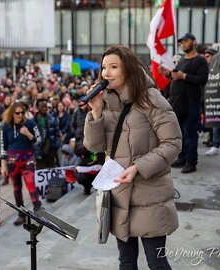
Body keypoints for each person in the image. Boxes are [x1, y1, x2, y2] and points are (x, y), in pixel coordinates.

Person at [83, 45, 182, 270]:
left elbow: (173, 143)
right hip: (119, 195)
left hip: (150, 194)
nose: (106, 73)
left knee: (156, 261)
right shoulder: (106, 103)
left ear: (128, 70)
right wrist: (96, 112)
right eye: (103, 67)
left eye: (114, 67)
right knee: (126, 261)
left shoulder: (151, 99)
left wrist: (138, 167)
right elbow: (94, 147)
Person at [159, 33, 209, 173]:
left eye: (186, 41)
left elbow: (202, 80)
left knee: (190, 132)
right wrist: (168, 74)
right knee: (179, 132)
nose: (183, 44)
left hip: (191, 102)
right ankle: (182, 157)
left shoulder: (200, 60)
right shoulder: (181, 60)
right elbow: (177, 77)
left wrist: (184, 76)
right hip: (178, 102)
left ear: (194, 42)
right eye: (181, 42)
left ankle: (191, 161)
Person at [0, 103, 43, 226]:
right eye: (17, 113)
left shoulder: (30, 123)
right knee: (16, 188)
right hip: (12, 161)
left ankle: (38, 211)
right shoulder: (5, 126)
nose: (20, 115)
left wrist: (28, 134)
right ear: (12, 113)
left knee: (31, 184)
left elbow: (39, 141)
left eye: (22, 112)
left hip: (28, 158)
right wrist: (3, 165)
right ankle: (21, 213)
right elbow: (3, 146)